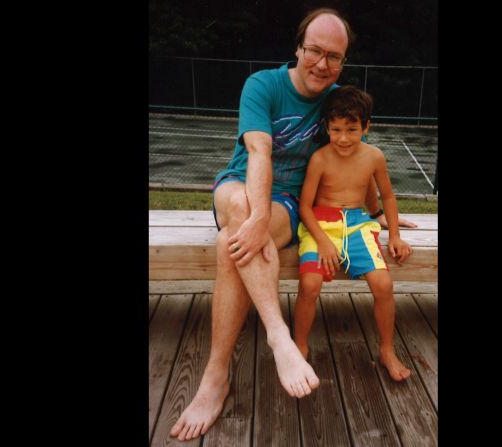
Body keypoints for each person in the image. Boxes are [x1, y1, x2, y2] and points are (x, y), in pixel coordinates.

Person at [170, 8, 414, 441]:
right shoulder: (263, 85)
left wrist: (380, 217)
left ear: (343, 61)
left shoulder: (338, 99)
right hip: (239, 186)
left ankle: (215, 377)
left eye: (334, 56)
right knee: (243, 214)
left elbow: (360, 154)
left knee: (234, 243)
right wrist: (258, 215)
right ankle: (279, 337)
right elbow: (259, 153)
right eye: (315, 51)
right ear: (298, 48)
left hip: (285, 201)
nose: (322, 64)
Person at [294, 85, 413, 382]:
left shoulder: (374, 157)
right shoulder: (320, 158)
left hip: (358, 225)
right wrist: (322, 241)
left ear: (366, 126)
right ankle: (300, 347)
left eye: (352, 129)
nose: (343, 138)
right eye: (336, 129)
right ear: (327, 127)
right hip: (321, 225)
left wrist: (395, 235)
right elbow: (304, 207)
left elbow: (387, 197)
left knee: (384, 285)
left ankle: (386, 350)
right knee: (309, 284)